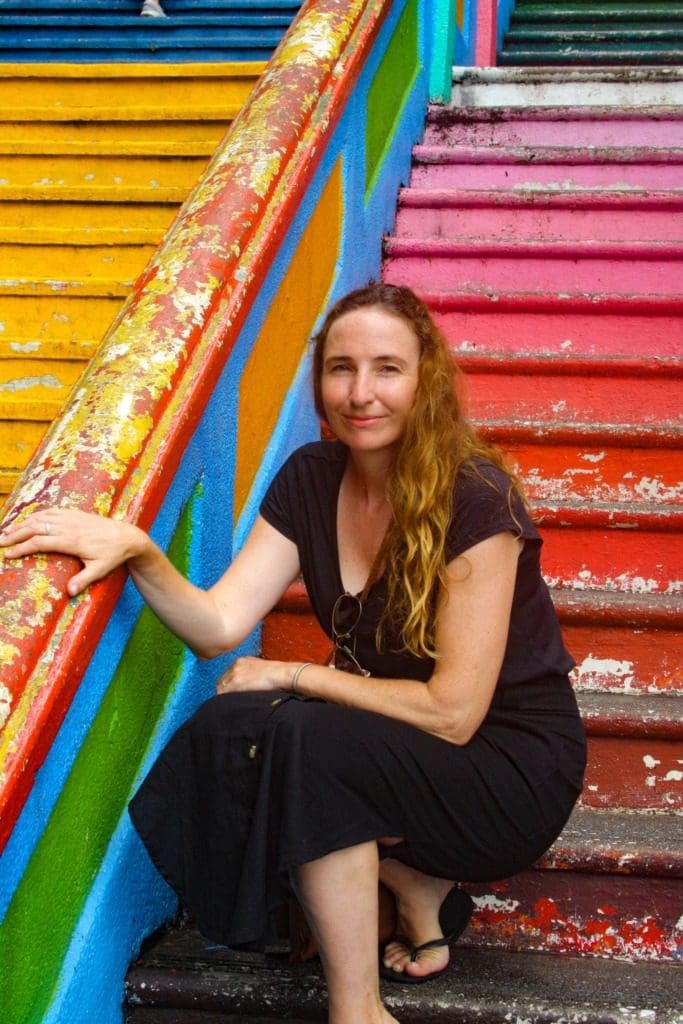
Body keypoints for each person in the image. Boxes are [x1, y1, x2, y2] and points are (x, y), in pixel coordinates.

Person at [0, 284, 586, 1024]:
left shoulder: (476, 500)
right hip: (401, 745)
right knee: (226, 729)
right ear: (320, 381)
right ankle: (411, 884)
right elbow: (218, 624)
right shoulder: (312, 476)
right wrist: (142, 553)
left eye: (386, 369)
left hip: (507, 769)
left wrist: (293, 673)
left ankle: (358, 1009)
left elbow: (453, 712)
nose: (360, 393)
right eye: (341, 368)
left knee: (303, 737)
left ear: (425, 379)